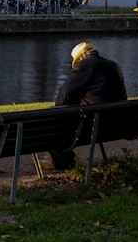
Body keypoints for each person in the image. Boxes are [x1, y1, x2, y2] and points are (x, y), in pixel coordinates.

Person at [47, 41, 128, 170]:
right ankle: (69, 163)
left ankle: (67, 164)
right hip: (120, 124)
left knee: (51, 128)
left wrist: (58, 110)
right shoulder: (113, 66)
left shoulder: (85, 66)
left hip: (95, 125)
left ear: (79, 58)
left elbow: (66, 93)